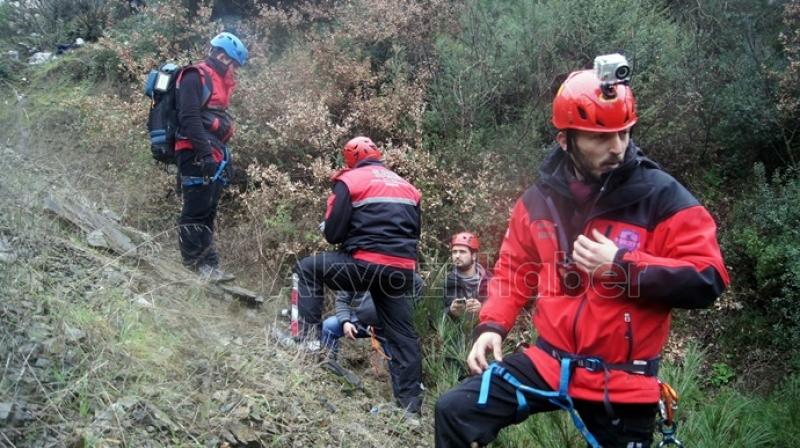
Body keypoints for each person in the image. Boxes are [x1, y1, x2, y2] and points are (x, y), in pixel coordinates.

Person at [434, 57, 730, 447]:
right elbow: (513, 270)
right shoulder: (538, 201)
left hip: (622, 379)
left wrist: (622, 265)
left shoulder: (661, 196)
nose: (617, 147)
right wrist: (492, 325)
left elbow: (708, 278)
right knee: (455, 410)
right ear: (566, 140)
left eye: (623, 133)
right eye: (600, 137)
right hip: (549, 362)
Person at [294, 136, 424, 415]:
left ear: (350, 159)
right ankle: (410, 409)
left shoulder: (349, 181)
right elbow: (415, 232)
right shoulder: (409, 188)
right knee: (402, 335)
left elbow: (333, 234)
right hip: (401, 271)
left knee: (307, 268)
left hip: (364, 265)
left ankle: (307, 346)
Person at [174, 32, 247, 282]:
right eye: (233, 63)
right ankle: (193, 266)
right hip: (193, 151)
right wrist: (205, 155)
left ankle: (210, 265)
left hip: (212, 151)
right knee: (195, 210)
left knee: (209, 210)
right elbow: (189, 118)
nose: (233, 69)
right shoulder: (194, 76)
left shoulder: (218, 80)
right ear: (221, 56)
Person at [443, 232, 491, 318]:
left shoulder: (489, 280)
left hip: (483, 326)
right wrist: (450, 311)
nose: (457, 256)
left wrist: (482, 308)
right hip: (454, 326)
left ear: (474, 256)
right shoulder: (445, 281)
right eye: (454, 252)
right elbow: (432, 316)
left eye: (462, 252)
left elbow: (501, 309)